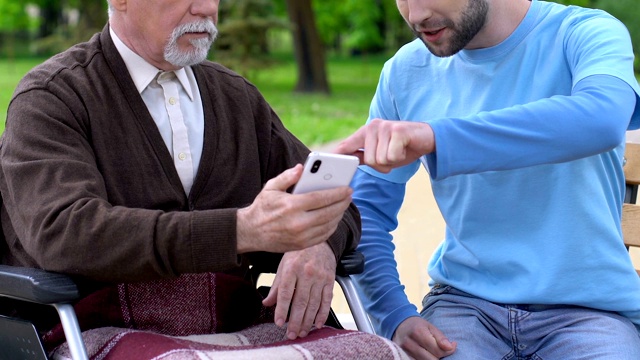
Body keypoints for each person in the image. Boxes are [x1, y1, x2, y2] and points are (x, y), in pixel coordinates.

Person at [0, 0, 407, 358]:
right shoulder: (51, 98)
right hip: (96, 328)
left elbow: (342, 207)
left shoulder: (236, 98)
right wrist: (240, 230)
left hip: (242, 324)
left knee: (380, 353)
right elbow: (65, 232)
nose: (206, 8)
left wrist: (318, 243)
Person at [334, 0, 640, 358]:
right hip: (465, 308)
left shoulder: (584, 33)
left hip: (591, 313)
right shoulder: (405, 71)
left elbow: (600, 118)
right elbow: (366, 211)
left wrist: (437, 138)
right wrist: (394, 316)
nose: (414, 15)